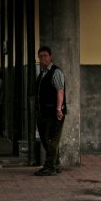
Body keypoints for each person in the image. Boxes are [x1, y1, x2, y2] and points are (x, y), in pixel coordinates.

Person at [34, 46, 66, 176]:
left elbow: (60, 91)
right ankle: (55, 164)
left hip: (54, 112)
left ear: (50, 57)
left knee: (52, 140)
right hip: (43, 112)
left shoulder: (55, 72)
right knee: (45, 139)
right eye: (40, 56)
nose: (43, 58)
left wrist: (59, 109)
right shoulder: (42, 73)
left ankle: (49, 166)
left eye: (45, 56)